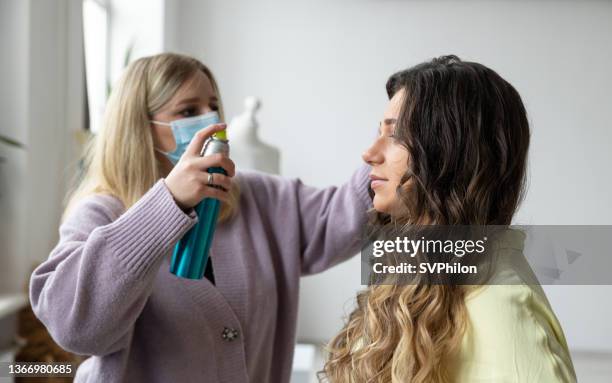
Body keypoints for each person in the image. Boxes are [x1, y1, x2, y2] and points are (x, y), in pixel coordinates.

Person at [29, 53, 371, 383]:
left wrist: (395, 144)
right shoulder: (100, 212)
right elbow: (74, 327)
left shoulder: (260, 197)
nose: (210, 120)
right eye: (189, 110)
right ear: (140, 128)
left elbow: (349, 213)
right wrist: (167, 205)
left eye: (213, 106)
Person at [322, 55, 577, 383]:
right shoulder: (424, 274)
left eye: (396, 135)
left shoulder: (498, 303)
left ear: (448, 151)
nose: (370, 153)